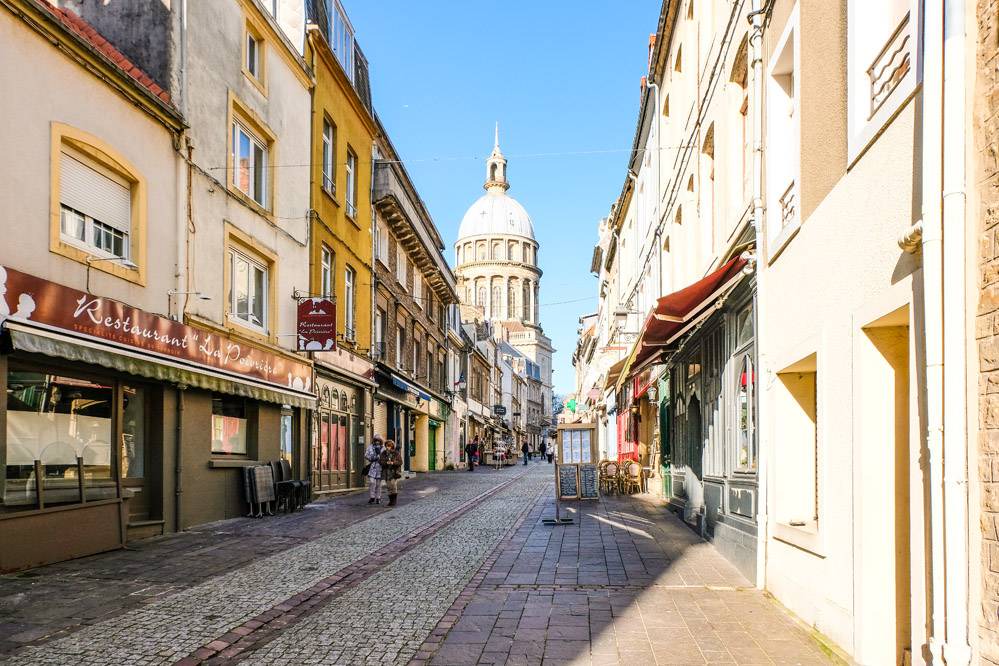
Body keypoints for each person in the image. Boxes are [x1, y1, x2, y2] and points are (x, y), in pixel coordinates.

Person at [379, 439, 403, 507]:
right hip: (386, 472)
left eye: (389, 446)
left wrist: (393, 463)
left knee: (393, 485)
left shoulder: (396, 453)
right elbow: (380, 461)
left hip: (394, 472)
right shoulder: (383, 453)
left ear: (392, 446)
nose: (388, 447)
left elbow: (400, 462)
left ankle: (394, 501)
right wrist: (386, 462)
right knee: (389, 486)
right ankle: (390, 501)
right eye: (387, 446)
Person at [364, 435, 384, 504]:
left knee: (378, 484)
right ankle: (372, 497)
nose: (377, 442)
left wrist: (380, 457)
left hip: (380, 468)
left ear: (380, 441)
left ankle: (378, 498)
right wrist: (372, 458)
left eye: (378, 441)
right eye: (376, 440)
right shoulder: (370, 447)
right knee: (372, 482)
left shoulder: (383, 448)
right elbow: (366, 455)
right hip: (372, 467)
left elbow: (385, 456)